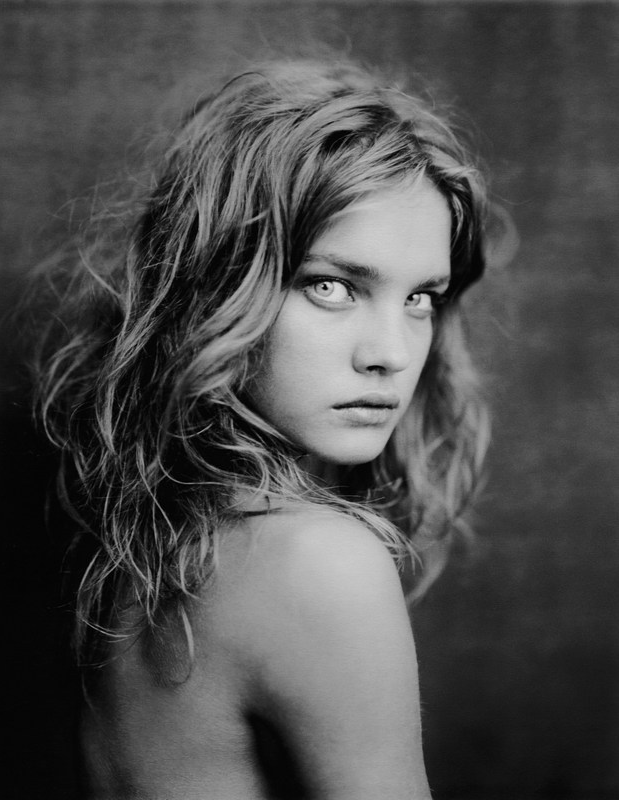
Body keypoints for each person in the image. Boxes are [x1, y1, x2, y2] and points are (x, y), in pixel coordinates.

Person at [29, 56, 490, 800]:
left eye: (420, 298)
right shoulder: (319, 563)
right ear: (218, 285)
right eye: (331, 286)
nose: (392, 353)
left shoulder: (149, 545)